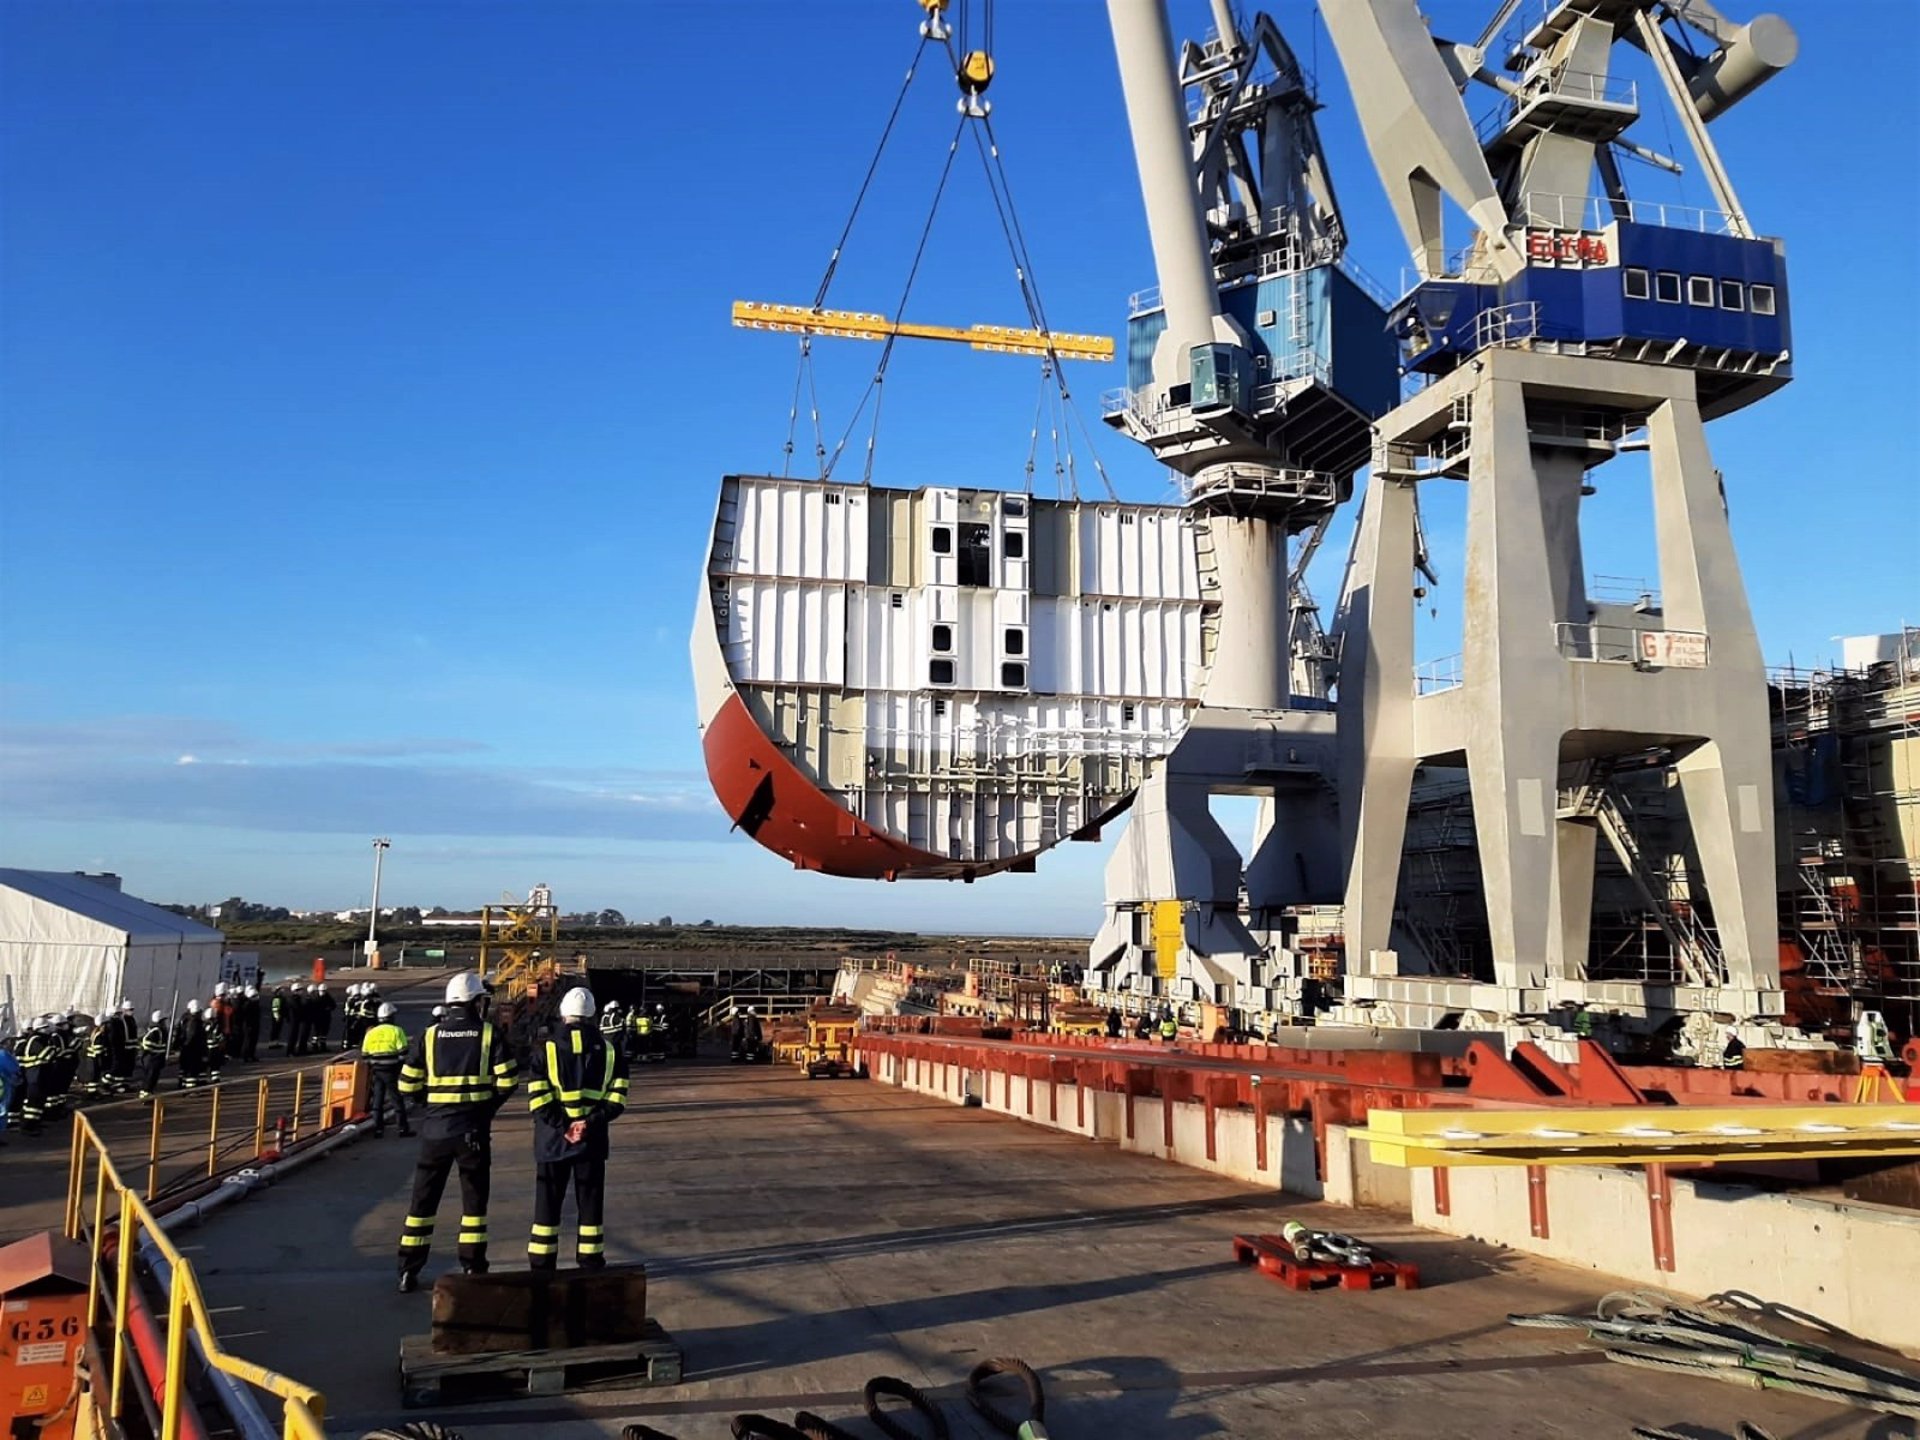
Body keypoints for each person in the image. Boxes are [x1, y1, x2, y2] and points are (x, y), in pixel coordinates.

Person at [393, 972, 518, 1293]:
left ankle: (408, 1269)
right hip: (472, 1132)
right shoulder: (489, 1035)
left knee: (422, 1203)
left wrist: (430, 1105)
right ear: (477, 1002)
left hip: (435, 1132)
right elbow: (507, 1082)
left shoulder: (429, 1036)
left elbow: (407, 1084)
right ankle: (473, 1266)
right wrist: (484, 1110)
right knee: (474, 1205)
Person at [526, 988, 629, 1271]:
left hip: (552, 1140)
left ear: (563, 1013)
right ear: (593, 1014)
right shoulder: (610, 1051)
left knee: (547, 1204)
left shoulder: (543, 1048)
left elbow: (539, 1099)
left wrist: (564, 1126)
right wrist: (588, 1123)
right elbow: (618, 1098)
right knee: (590, 1204)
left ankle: (542, 1264)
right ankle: (590, 1262)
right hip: (591, 1140)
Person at [361, 1002, 413, 1139]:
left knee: (377, 1100)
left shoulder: (371, 1033)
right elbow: (404, 1052)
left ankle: (378, 1130)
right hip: (392, 1070)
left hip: (377, 1070)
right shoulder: (397, 1031)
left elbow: (365, 1055)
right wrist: (398, 1064)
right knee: (396, 1099)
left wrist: (374, 1064)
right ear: (391, 1016)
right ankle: (402, 1129)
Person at [17, 1016, 57, 1135]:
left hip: (40, 1075)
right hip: (35, 1076)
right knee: (33, 1103)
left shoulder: (41, 1040)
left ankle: (35, 1122)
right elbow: (47, 1055)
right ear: (41, 1029)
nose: (49, 1030)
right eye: (46, 1028)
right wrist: (53, 1048)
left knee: (38, 1102)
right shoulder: (35, 1040)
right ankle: (27, 1127)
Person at [177, 999, 209, 1089]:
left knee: (184, 1068)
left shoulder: (184, 1019)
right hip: (193, 1050)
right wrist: (203, 1051)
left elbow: (179, 1033)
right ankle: (190, 1089)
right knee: (192, 1070)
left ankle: (182, 1084)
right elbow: (196, 1038)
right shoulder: (195, 1023)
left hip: (185, 1048)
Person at [138, 1011, 170, 1100]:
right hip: (153, 1060)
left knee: (153, 1078)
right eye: (164, 1020)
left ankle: (148, 1093)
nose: (165, 1023)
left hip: (155, 1059)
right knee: (150, 1078)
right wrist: (153, 1051)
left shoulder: (159, 1030)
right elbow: (145, 1041)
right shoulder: (156, 1031)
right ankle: (145, 1096)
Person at [238, 985, 262, 1063]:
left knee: (253, 1041)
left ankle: (251, 1055)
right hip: (248, 1025)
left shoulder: (255, 1004)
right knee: (248, 1041)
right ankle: (246, 1056)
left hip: (255, 1024)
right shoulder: (247, 1005)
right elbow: (244, 1016)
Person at [311, 983, 335, 1050]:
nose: (323, 992)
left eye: (324, 991)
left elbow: (333, 1005)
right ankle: (314, 1046)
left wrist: (329, 1008)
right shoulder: (316, 998)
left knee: (324, 1032)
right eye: (322, 991)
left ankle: (322, 1046)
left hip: (326, 1017)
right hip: (317, 1018)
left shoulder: (328, 997)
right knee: (316, 1032)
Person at [268, 984, 289, 1048]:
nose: (282, 991)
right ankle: (272, 1044)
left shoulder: (281, 998)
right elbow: (275, 1009)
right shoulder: (276, 999)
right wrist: (277, 1017)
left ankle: (276, 1043)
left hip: (280, 1016)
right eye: (280, 990)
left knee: (278, 1030)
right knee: (275, 1030)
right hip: (277, 1017)